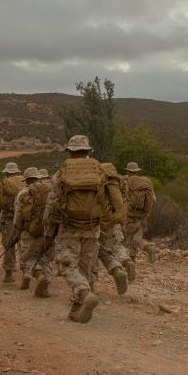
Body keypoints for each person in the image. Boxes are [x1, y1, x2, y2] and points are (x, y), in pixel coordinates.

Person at [43, 135, 124, 323]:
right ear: (88, 151)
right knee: (85, 266)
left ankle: (84, 293)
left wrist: (48, 232)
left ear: (70, 151)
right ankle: (76, 309)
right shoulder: (100, 173)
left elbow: (51, 205)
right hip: (93, 226)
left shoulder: (60, 175)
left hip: (68, 226)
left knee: (67, 265)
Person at [13, 167, 53, 297]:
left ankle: (38, 275)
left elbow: (18, 215)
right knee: (46, 258)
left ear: (26, 180)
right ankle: (45, 287)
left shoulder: (22, 193)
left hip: (28, 231)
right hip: (46, 231)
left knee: (29, 257)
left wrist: (17, 230)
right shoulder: (49, 191)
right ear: (38, 178)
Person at [93, 162, 130, 294]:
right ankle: (123, 262)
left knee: (95, 251)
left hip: (97, 222)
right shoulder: (119, 180)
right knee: (115, 246)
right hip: (115, 220)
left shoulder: (95, 179)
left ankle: (91, 282)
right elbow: (125, 201)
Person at [0, 162, 25, 283]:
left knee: (9, 245)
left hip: (9, 220)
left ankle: (9, 273)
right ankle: (26, 270)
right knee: (24, 244)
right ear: (17, 171)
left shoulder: (3, 185)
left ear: (6, 173)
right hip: (26, 220)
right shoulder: (26, 182)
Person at [123, 162, 157, 265]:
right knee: (136, 235)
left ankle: (143, 250)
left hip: (130, 214)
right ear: (137, 171)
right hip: (143, 214)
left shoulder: (126, 182)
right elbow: (153, 200)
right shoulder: (145, 183)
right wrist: (146, 213)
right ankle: (140, 252)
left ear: (128, 171)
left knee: (130, 237)